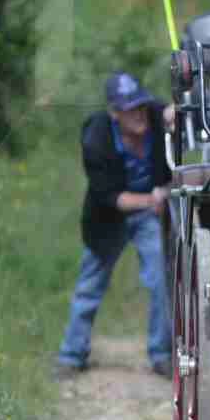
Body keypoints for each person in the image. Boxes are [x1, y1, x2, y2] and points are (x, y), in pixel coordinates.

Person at [54, 72, 176, 381]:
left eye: (141, 105)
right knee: (89, 286)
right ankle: (71, 355)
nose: (138, 114)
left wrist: (178, 111)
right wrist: (153, 198)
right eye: (129, 109)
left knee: (161, 280)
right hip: (108, 218)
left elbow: (175, 111)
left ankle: (161, 355)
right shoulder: (96, 137)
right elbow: (111, 197)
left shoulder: (156, 116)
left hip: (150, 217)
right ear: (114, 112)